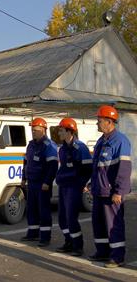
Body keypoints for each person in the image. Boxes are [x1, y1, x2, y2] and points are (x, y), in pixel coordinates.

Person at [89, 105, 132, 268]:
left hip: (111, 193)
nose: (96, 123)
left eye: (99, 120)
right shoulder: (102, 140)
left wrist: (119, 191)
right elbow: (97, 167)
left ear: (109, 122)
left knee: (114, 225)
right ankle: (102, 252)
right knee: (98, 223)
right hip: (99, 190)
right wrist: (91, 184)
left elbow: (124, 169)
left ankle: (117, 257)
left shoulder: (120, 141)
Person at [55, 118, 92, 256]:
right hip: (64, 186)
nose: (59, 133)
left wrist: (81, 185)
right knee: (62, 218)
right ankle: (68, 241)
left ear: (69, 131)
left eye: (61, 130)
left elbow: (88, 169)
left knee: (71, 217)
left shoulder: (80, 148)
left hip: (73, 188)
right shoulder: (62, 149)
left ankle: (77, 246)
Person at [21, 118, 58, 247]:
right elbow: (26, 162)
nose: (33, 132)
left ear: (43, 130)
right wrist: (23, 178)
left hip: (42, 184)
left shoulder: (49, 145)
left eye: (35, 130)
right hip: (31, 182)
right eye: (32, 130)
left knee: (44, 210)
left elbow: (53, 166)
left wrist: (47, 182)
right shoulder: (31, 145)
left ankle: (45, 237)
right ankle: (33, 233)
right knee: (31, 208)